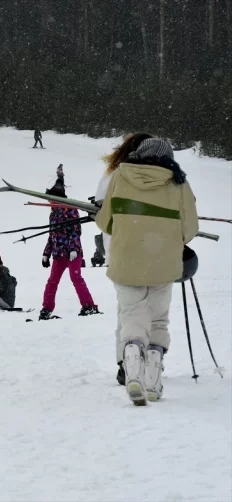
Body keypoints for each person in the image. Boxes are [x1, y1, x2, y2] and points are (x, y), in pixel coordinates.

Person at [95, 137, 198, 406]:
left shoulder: (120, 176)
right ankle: (153, 382)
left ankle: (131, 359)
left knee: (132, 315)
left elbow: (105, 222)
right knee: (158, 319)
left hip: (126, 260)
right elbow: (190, 228)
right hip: (164, 263)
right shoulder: (178, 182)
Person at [95, 133, 153, 384]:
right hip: (150, 247)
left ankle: (128, 359)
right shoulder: (150, 172)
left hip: (120, 248)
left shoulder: (114, 173)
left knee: (129, 307)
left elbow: (101, 208)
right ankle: (141, 360)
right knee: (148, 307)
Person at [38, 179, 98, 320]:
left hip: (72, 253)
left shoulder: (70, 209)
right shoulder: (52, 214)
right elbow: (51, 235)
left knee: (76, 277)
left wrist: (73, 249)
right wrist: (46, 253)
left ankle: (89, 306)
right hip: (58, 254)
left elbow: (75, 231)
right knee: (52, 281)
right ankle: (46, 308)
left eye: (50, 199)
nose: (49, 203)